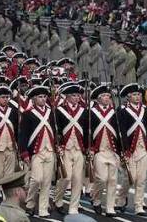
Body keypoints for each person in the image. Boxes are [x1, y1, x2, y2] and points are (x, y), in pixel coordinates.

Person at [18, 85, 55, 218]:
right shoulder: (27, 114)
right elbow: (23, 135)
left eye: (45, 97)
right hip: (36, 151)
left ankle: (43, 208)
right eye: (40, 97)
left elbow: (55, 131)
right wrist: (24, 152)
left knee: (46, 181)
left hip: (49, 150)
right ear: (34, 99)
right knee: (36, 179)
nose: (43, 99)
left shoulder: (51, 112)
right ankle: (30, 203)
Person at [114, 83, 147, 216]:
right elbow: (122, 131)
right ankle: (120, 198)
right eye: (134, 95)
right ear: (128, 97)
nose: (137, 97)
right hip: (129, 149)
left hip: (142, 148)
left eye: (139, 94)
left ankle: (138, 205)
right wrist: (124, 149)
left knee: (141, 179)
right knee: (130, 178)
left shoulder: (145, 109)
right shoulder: (122, 110)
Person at [52, 82, 87, 215]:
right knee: (66, 177)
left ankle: (74, 207)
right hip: (65, 149)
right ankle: (58, 200)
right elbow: (56, 130)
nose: (77, 98)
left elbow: (86, 130)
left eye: (78, 95)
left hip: (78, 148)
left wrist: (87, 148)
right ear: (67, 97)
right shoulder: (59, 111)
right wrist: (58, 145)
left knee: (77, 179)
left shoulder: (84, 111)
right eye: (73, 95)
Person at [88, 84, 120, 217]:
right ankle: (96, 199)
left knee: (112, 180)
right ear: (98, 99)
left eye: (108, 96)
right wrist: (90, 148)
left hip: (112, 151)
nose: (107, 98)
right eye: (104, 96)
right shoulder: (91, 112)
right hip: (99, 151)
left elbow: (120, 131)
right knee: (101, 179)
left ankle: (110, 207)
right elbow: (88, 131)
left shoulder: (115, 112)